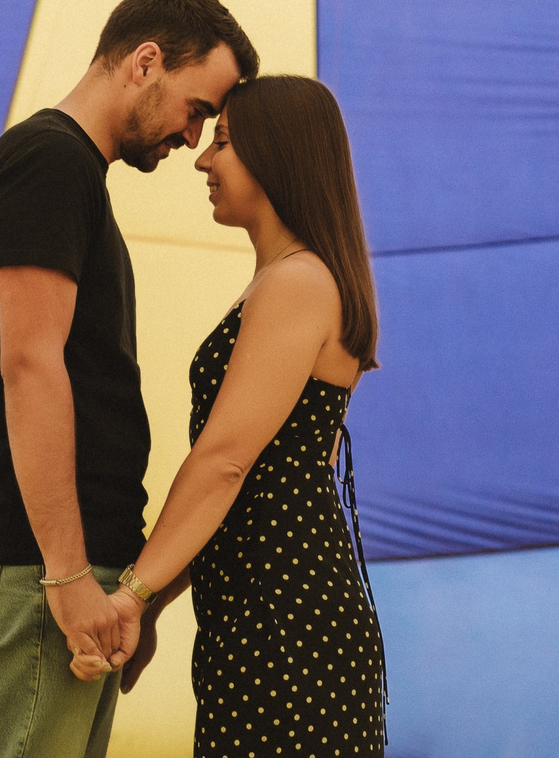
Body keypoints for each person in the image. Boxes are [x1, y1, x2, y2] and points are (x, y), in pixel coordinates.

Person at [0, 0, 260, 758]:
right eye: (198, 110)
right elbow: (29, 363)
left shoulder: (75, 176)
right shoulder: (48, 162)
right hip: (34, 569)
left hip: (64, 572)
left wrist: (119, 589)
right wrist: (68, 574)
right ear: (145, 61)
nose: (193, 140)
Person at [80, 74, 388, 757]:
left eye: (222, 141)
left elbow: (225, 462)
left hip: (288, 627)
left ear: (276, 155)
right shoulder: (290, 280)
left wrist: (130, 595)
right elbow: (249, 489)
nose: (202, 159)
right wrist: (156, 598)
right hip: (264, 620)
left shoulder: (299, 282)